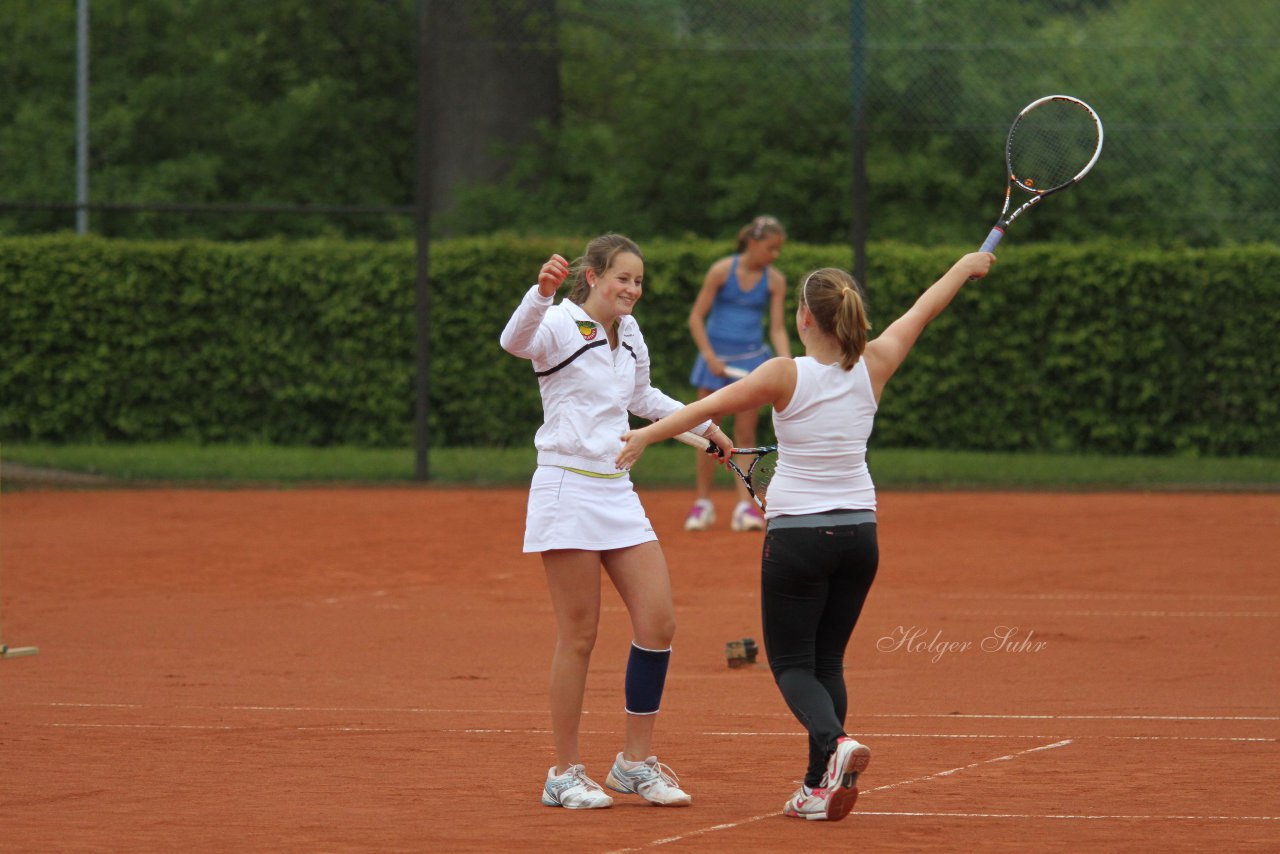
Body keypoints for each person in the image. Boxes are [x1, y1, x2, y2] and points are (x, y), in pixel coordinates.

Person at [616, 251, 996, 821]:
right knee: (828, 663)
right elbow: (924, 308)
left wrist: (643, 438)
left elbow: (704, 407)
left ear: (804, 319)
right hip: (860, 535)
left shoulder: (783, 372)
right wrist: (964, 268)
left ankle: (837, 744)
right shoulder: (878, 360)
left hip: (798, 536)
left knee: (791, 663)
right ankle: (818, 788)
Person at [500, 233, 733, 811]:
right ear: (594, 276)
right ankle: (564, 772)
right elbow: (513, 342)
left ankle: (633, 763)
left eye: (638, 281)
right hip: (565, 489)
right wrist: (539, 293)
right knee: (579, 636)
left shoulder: (629, 333)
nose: (632, 289)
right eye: (623, 278)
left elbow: (644, 398)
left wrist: (702, 428)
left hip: (618, 491)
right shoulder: (556, 322)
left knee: (658, 623)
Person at [685, 215, 791, 533]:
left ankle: (745, 507)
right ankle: (702, 504)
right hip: (715, 364)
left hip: (751, 366)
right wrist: (709, 356)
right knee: (706, 431)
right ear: (753, 243)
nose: (774, 255)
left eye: (778, 250)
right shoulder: (721, 271)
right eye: (771, 248)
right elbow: (696, 318)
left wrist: (787, 361)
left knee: (745, 437)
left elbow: (776, 328)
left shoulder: (775, 280)